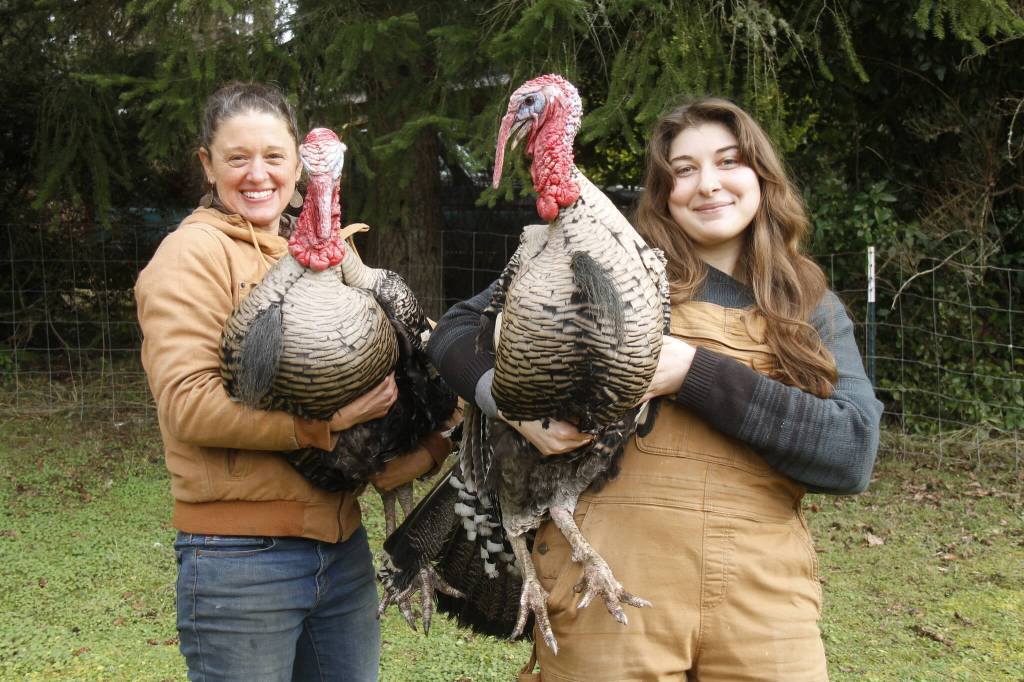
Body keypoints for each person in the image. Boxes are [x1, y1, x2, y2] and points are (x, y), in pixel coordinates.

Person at [427, 98, 883, 681]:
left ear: (762, 177)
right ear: (663, 192)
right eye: (684, 170)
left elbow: (852, 454)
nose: (708, 184)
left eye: (729, 162)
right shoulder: (607, 269)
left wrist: (690, 372)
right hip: (607, 593)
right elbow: (455, 331)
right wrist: (509, 403)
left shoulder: (809, 307)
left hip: (765, 605)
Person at [135, 82, 450, 682]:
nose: (258, 175)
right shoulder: (190, 255)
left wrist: (442, 431)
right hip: (241, 559)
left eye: (274, 156)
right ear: (207, 164)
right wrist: (320, 427)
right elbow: (188, 406)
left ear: (298, 164)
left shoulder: (321, 252)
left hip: (341, 549)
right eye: (237, 158)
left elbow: (422, 349)